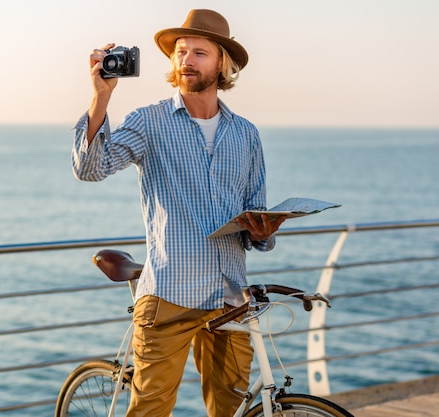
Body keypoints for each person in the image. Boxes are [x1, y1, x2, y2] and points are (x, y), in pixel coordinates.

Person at [72, 9, 286, 417]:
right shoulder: (150, 122)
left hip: (229, 300)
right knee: (150, 411)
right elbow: (89, 169)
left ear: (223, 63)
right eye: (181, 51)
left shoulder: (246, 135)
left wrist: (261, 231)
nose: (186, 60)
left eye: (199, 52)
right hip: (169, 294)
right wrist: (101, 96)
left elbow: (257, 224)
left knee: (231, 411)